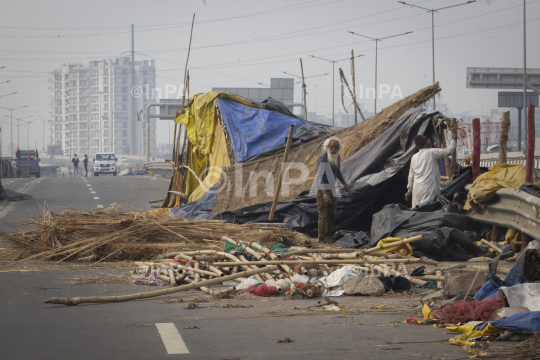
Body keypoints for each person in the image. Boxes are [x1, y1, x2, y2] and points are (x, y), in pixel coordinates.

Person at [405, 131, 457, 208]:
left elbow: (411, 176)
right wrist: (453, 140)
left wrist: (409, 191)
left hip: (417, 190)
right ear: (425, 144)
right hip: (428, 188)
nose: (430, 140)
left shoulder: (414, 157)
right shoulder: (432, 152)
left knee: (417, 211)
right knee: (428, 210)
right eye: (428, 140)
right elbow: (448, 151)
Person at [315, 136, 350, 243]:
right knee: (323, 215)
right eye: (332, 147)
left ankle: (328, 238)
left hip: (332, 189)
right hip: (322, 189)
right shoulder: (323, 158)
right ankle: (321, 240)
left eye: (336, 147)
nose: (334, 149)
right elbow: (319, 178)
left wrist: (344, 183)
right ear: (327, 147)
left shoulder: (337, 157)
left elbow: (337, 170)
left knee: (332, 214)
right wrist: (325, 194)